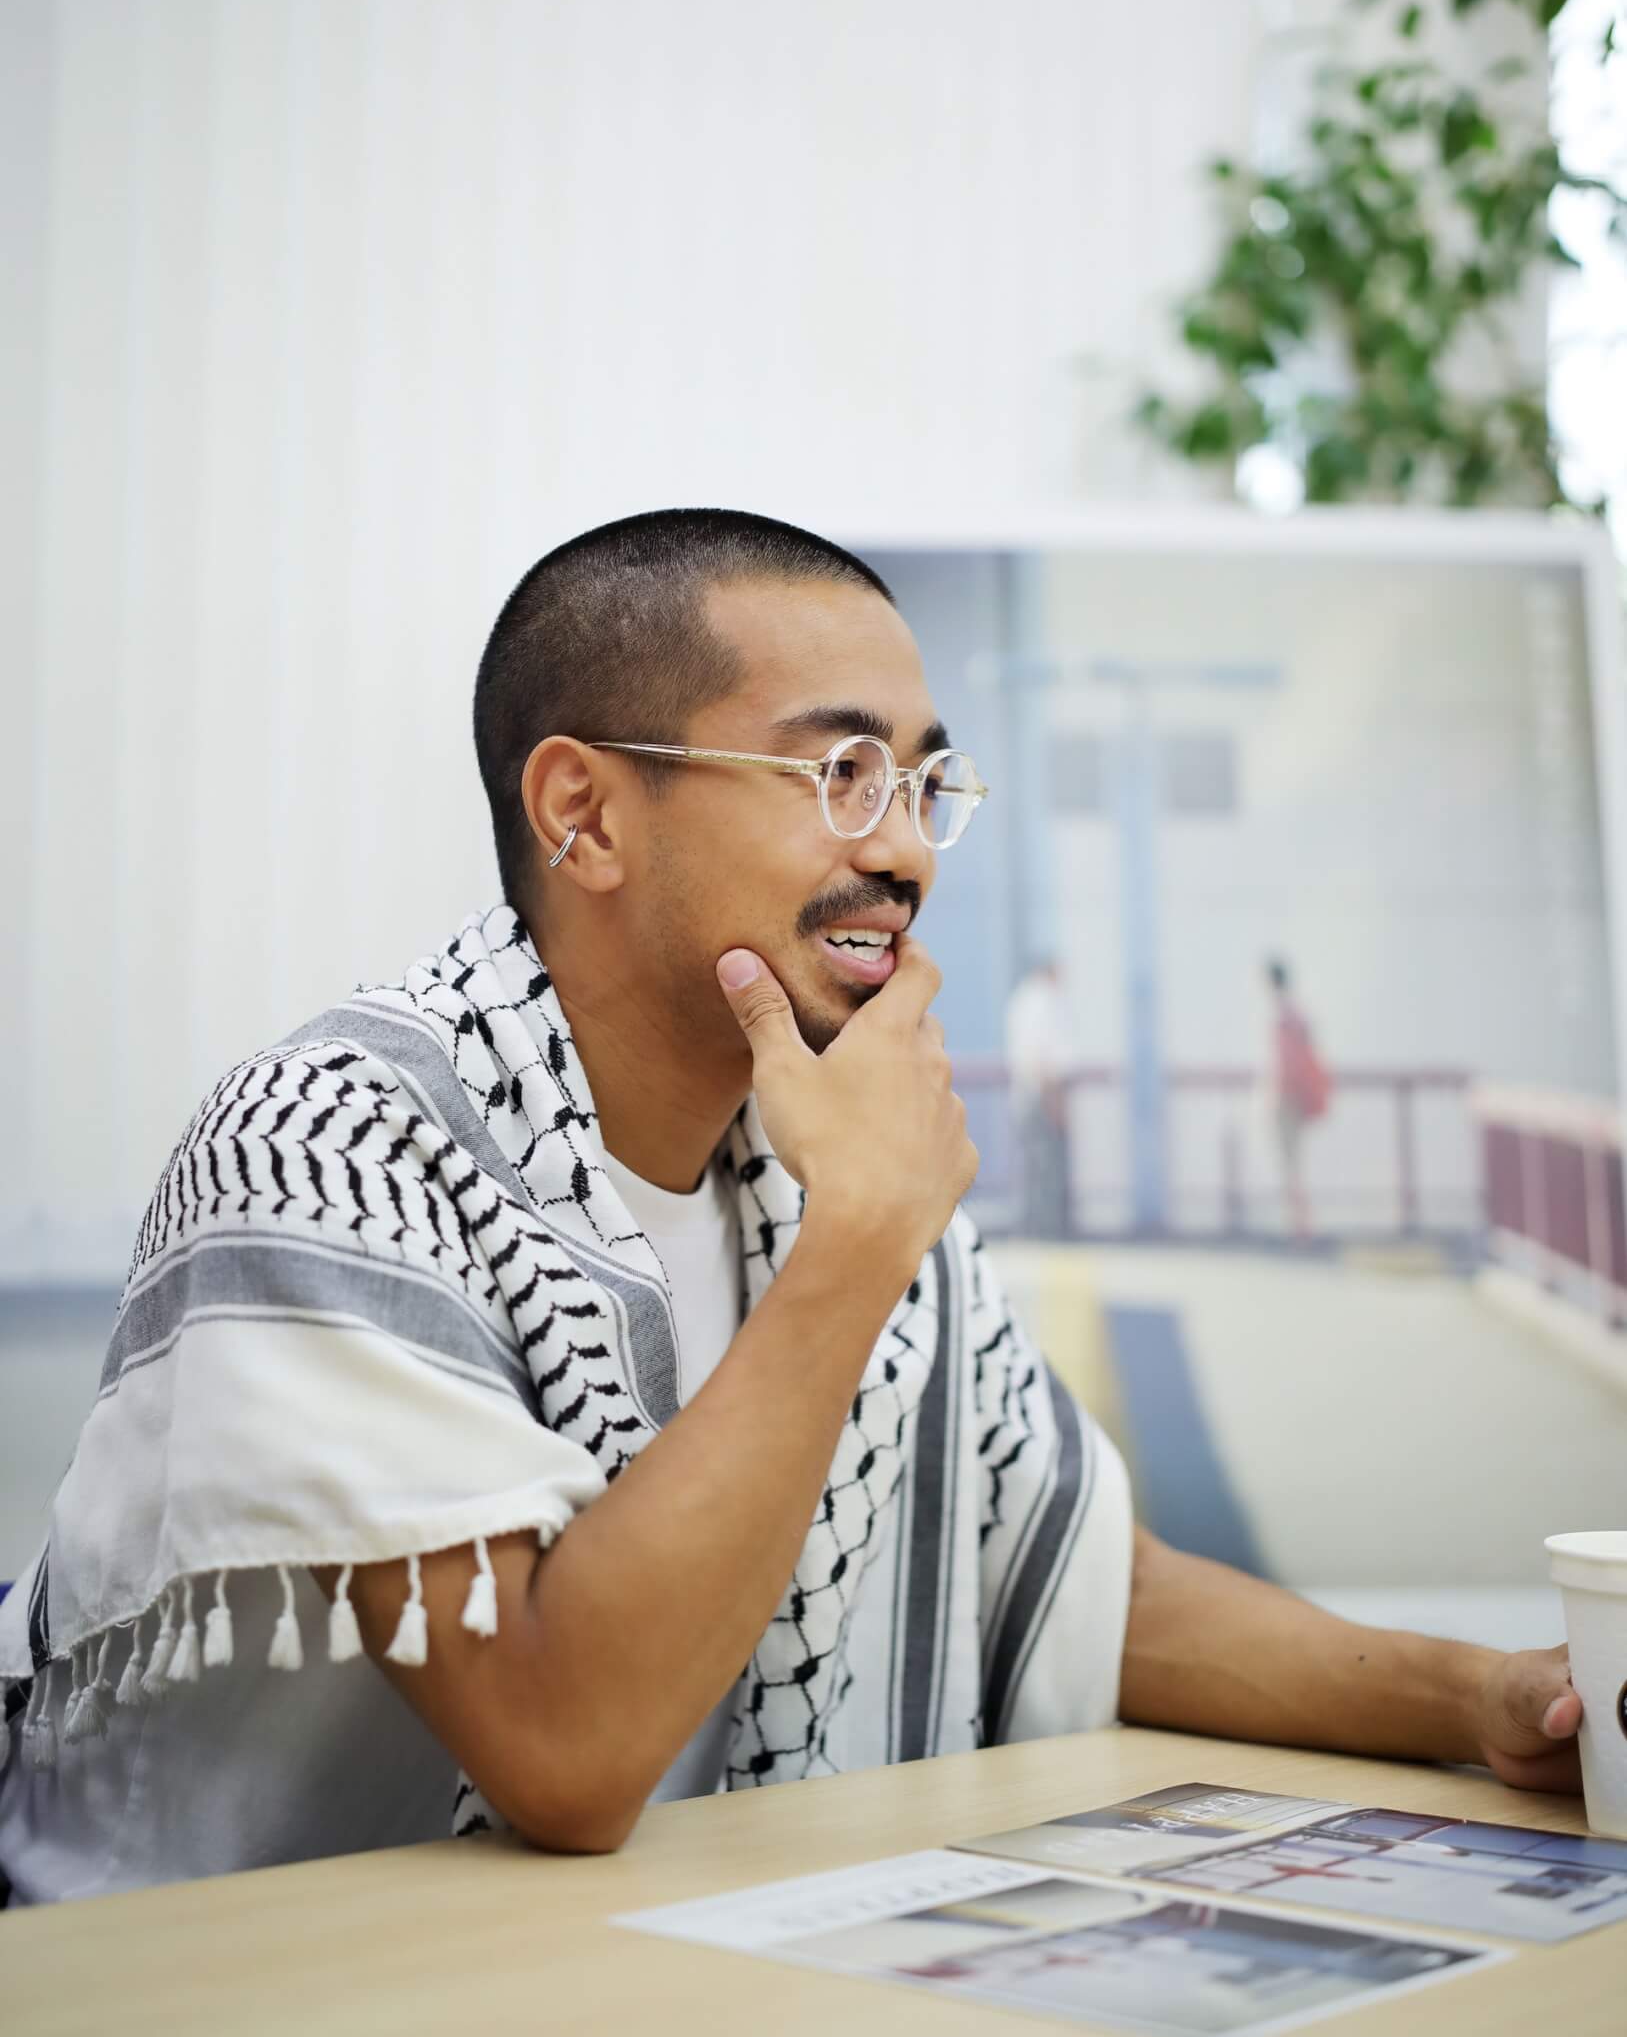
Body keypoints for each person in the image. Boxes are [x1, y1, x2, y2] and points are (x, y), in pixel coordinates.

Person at [0, 510, 1581, 1903]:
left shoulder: (822, 1158)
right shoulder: (330, 1143)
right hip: (196, 2022)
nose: (900, 848)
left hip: (602, 2012)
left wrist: (1484, 1698)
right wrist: (857, 1246)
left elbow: (1069, 1581)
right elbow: (563, 1747)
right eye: (836, 772)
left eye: (921, 782)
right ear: (584, 815)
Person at [1264, 956, 1330, 1243]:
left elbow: (1286, 1060)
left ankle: (1299, 1225)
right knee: (1293, 1162)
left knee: (1291, 1162)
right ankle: (1299, 1223)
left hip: (1287, 1097)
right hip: (1295, 1095)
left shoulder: (1284, 1015)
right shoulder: (1295, 1013)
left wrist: (1279, 1094)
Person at [1004, 956, 1070, 1238]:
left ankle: (1033, 1225)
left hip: (1025, 1092)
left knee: (1032, 1163)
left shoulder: (1022, 1000)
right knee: (1046, 1164)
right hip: (1041, 1093)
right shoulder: (1042, 1003)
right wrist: (1054, 1103)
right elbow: (1044, 1058)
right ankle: (1046, 1228)